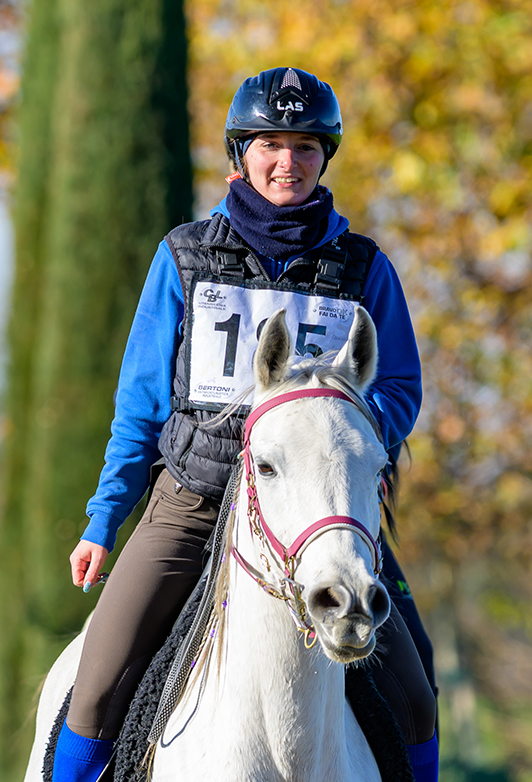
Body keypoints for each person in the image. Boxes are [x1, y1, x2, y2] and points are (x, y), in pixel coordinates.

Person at [52, 67, 438, 782]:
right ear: (240, 155)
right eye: (270, 144)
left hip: (319, 508)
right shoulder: (183, 256)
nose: (287, 161)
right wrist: (105, 517)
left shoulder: (365, 268)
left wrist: (330, 424)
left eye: (306, 146)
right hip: (192, 503)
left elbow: (401, 389)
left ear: (326, 158)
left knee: (416, 700)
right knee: (96, 688)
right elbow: (140, 404)